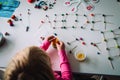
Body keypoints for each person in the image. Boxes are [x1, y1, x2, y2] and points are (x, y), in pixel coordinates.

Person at [4, 35, 72, 80]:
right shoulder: (52, 76)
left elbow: (32, 58)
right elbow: (67, 78)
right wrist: (61, 52)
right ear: (48, 69)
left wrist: (44, 45)